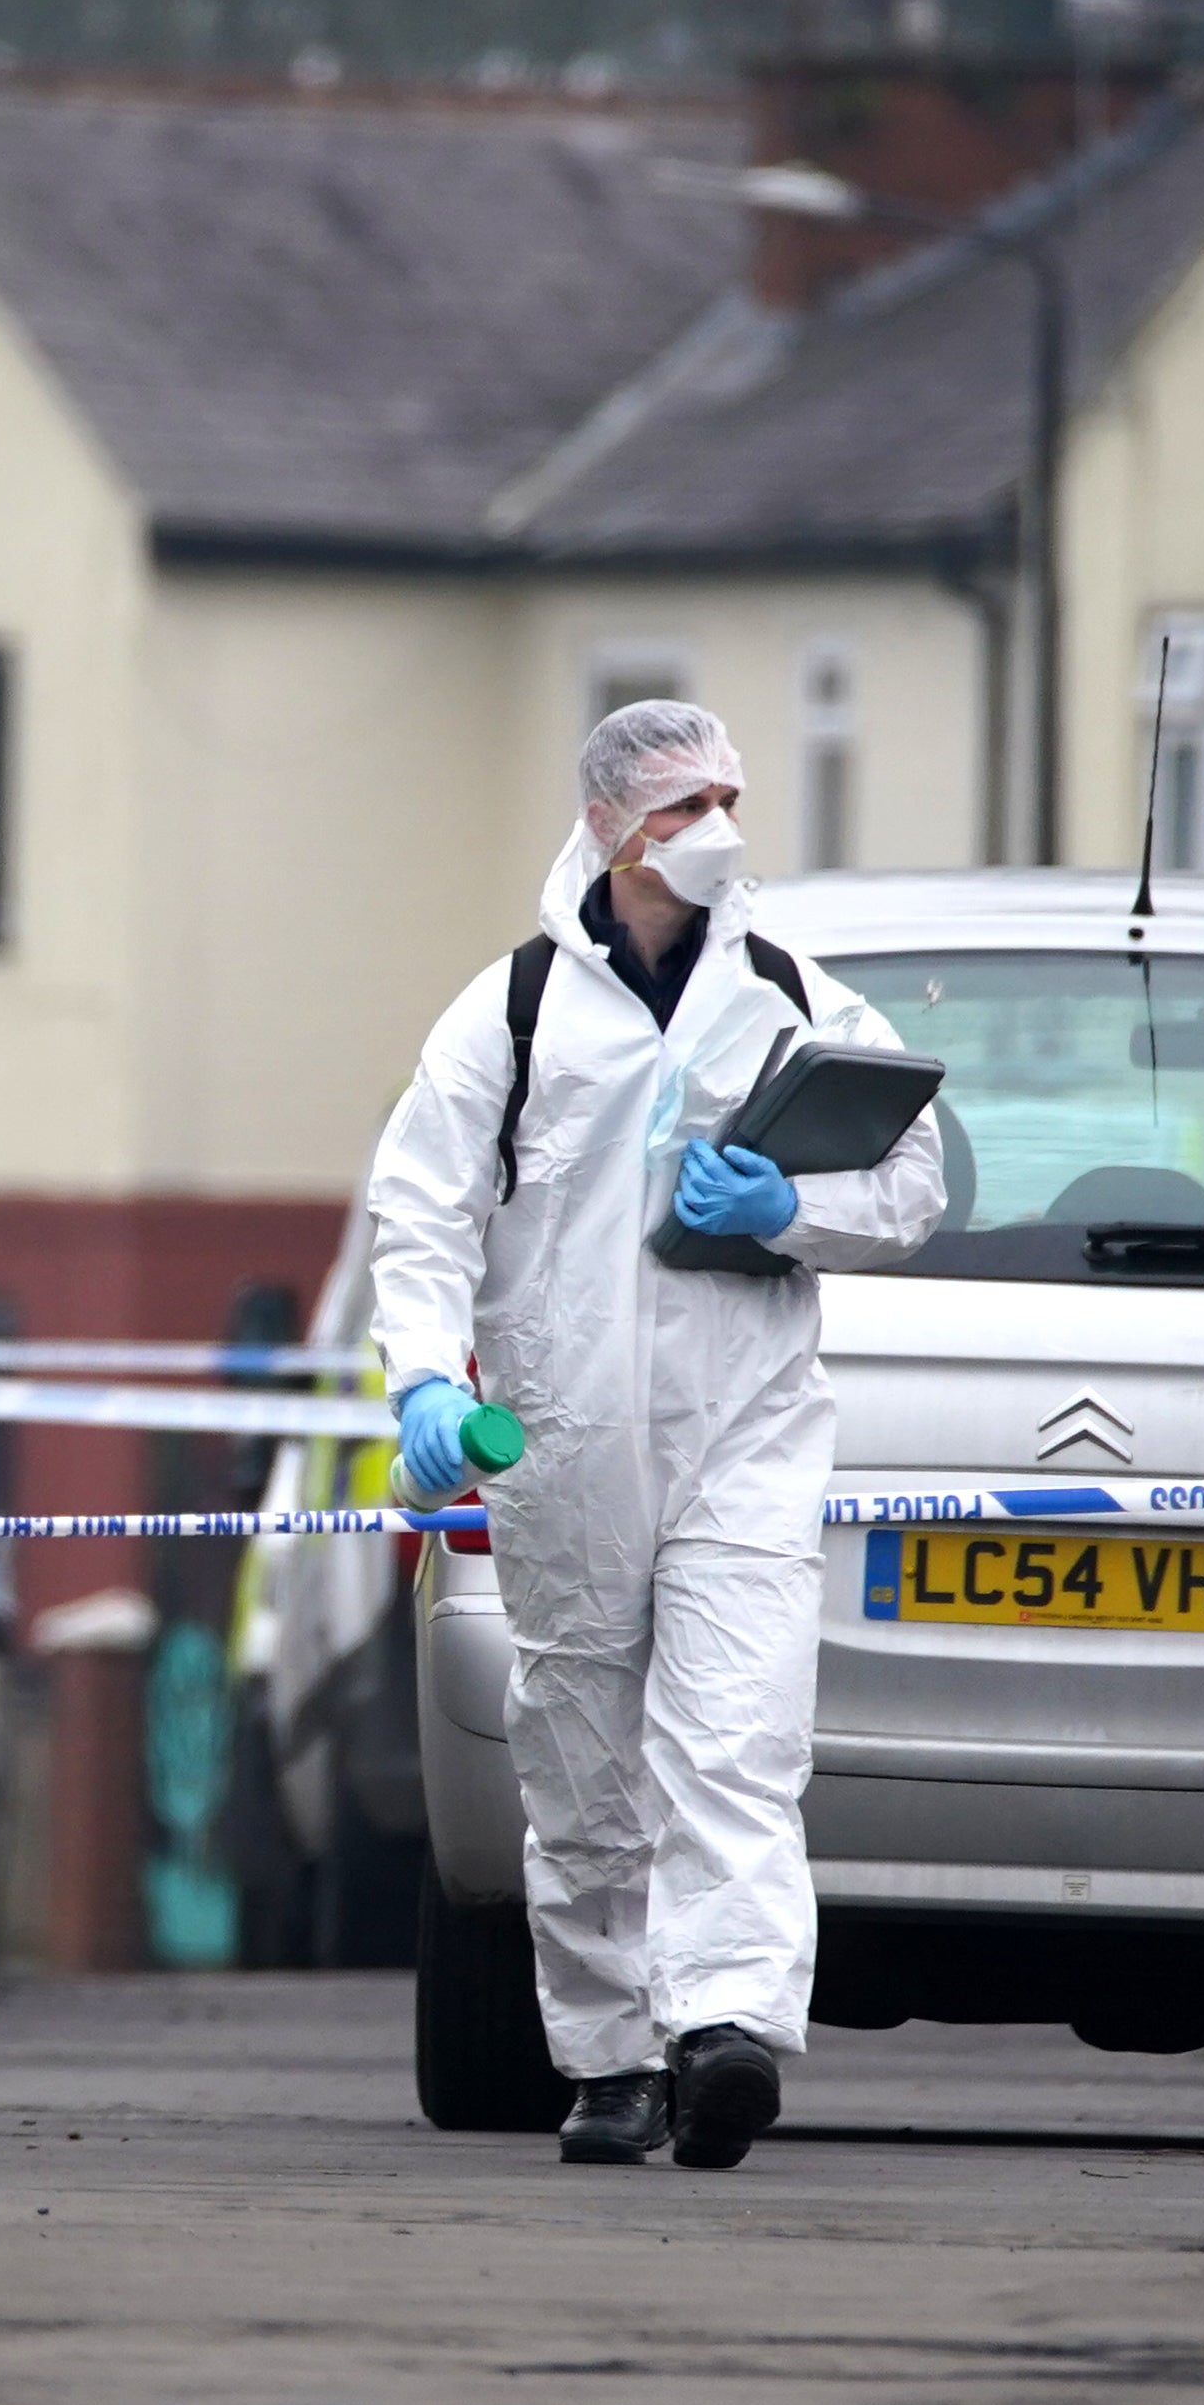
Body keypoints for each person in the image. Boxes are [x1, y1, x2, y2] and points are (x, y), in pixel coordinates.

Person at [362, 701, 947, 2168]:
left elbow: (916, 1178)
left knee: (735, 1736)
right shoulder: (508, 1012)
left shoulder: (787, 990)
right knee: (580, 1760)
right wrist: (426, 1384)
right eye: (686, 807)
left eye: (727, 801)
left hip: (740, 1429)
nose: (716, 833)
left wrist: (791, 1212)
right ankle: (610, 2056)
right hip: (562, 1446)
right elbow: (419, 1213)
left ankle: (725, 2028)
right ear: (618, 826)